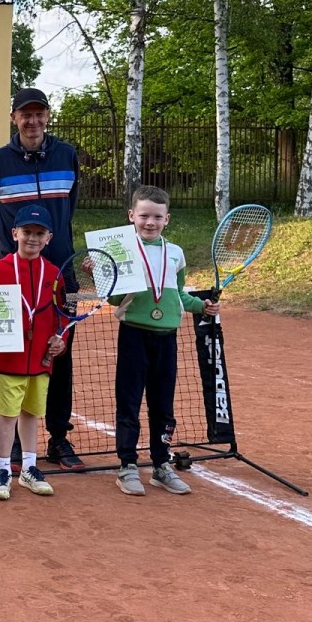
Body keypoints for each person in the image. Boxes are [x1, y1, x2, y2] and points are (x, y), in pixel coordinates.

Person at [0, 86, 84, 472]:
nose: (33, 121)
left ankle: (58, 437)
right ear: (14, 118)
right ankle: (18, 446)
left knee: (59, 352)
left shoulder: (67, 154)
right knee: (15, 354)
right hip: (15, 277)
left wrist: (58, 249)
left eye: (39, 113)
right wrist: (7, 252)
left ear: (47, 116)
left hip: (62, 272)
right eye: (26, 114)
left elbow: (69, 207)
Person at [109, 185, 218, 496]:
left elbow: (180, 294)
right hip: (134, 335)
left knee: (163, 405)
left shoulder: (176, 253)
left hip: (167, 338)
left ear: (167, 219)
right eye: (144, 215)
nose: (150, 222)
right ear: (131, 216)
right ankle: (127, 466)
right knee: (129, 402)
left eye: (157, 217)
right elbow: (115, 299)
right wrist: (100, 274)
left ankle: (160, 464)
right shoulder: (121, 250)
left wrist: (202, 306)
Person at [0, 205, 66, 500]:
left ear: (48, 238)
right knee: (7, 415)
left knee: (31, 414)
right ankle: (2, 470)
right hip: (8, 357)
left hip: (40, 359)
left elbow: (61, 316)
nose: (32, 238)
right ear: (14, 234)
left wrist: (60, 339)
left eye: (39, 233)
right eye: (26, 232)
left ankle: (29, 468)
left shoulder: (54, 273)